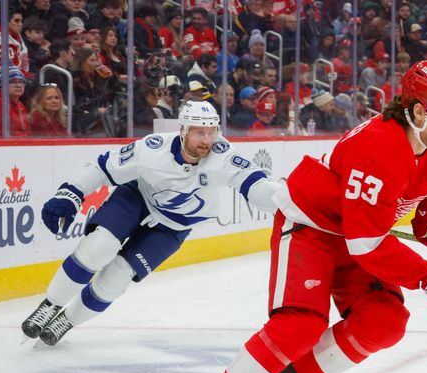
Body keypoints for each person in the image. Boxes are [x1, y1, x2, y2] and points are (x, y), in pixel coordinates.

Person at [167, 59, 427, 373]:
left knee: (385, 321)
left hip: (358, 233)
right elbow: (368, 245)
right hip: (312, 228)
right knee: (300, 325)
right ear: (420, 112)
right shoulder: (380, 147)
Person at [21, 101, 281, 347]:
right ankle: (50, 306)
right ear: (182, 131)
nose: (206, 140)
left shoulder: (223, 157)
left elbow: (256, 185)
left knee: (117, 277)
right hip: (137, 198)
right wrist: (72, 192)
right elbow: (103, 167)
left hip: (174, 226)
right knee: (100, 246)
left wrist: (287, 199)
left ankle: (67, 321)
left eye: (211, 132)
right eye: (199, 132)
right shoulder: (152, 149)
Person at [0, 67, 32, 138]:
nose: (18, 85)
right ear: (2, 85)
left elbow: (27, 132)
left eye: (21, 82)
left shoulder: (20, 105)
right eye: (13, 81)